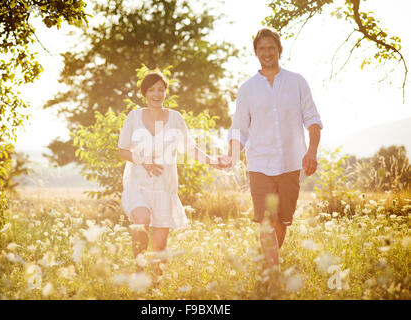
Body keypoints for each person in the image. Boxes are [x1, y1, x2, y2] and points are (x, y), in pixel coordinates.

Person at [220, 28, 323, 276]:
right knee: (266, 222)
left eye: (271, 48)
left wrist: (312, 151)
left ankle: (269, 263)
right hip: (259, 165)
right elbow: (240, 129)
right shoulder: (247, 89)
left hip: (290, 163)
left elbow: (313, 119)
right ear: (256, 53)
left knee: (281, 222)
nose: (267, 53)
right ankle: (273, 273)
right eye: (262, 49)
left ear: (279, 50)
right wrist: (232, 155)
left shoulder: (297, 82)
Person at [118, 71, 220, 272]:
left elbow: (189, 148)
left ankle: (157, 284)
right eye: (151, 90)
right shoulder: (134, 117)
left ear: (166, 92)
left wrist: (212, 161)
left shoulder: (175, 118)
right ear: (144, 93)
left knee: (159, 245)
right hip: (138, 182)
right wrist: (144, 161)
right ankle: (139, 271)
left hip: (165, 185)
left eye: (160, 89)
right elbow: (122, 150)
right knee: (142, 220)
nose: (156, 94)